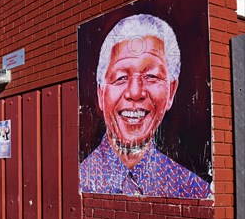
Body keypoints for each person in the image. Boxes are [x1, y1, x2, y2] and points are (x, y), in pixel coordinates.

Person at [79, 14, 211, 198]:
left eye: (151, 77)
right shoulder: (77, 182)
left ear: (171, 91)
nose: (135, 92)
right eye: (121, 78)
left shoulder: (195, 190)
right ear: (101, 93)